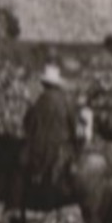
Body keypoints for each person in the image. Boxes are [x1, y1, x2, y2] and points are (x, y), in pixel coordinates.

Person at [18, 65, 79, 209]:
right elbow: (74, 126)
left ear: (44, 84)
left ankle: (20, 206)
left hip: (43, 148)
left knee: (20, 165)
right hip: (64, 146)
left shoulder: (39, 102)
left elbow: (28, 125)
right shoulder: (66, 101)